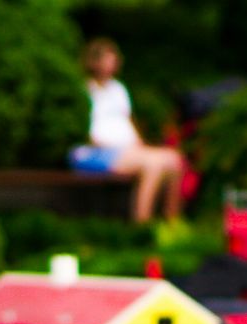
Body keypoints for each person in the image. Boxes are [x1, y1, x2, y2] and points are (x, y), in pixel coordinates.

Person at [70, 39, 184, 224]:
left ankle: (172, 222)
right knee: (153, 165)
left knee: (174, 160)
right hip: (96, 153)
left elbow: (127, 121)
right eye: (108, 58)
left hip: (126, 150)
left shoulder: (118, 89)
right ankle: (142, 223)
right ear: (94, 61)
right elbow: (85, 131)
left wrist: (138, 144)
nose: (112, 63)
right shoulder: (84, 90)